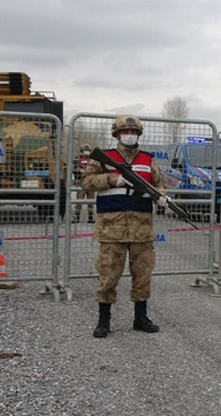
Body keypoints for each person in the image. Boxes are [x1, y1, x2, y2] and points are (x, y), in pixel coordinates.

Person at [80, 115, 170, 338]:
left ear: (138, 134)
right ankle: (104, 320)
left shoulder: (148, 159)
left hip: (142, 227)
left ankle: (140, 318)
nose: (129, 136)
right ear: (117, 135)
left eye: (133, 132)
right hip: (112, 227)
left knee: (143, 274)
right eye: (124, 132)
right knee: (109, 274)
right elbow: (86, 182)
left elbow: (158, 183)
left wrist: (162, 197)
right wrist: (113, 180)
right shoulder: (103, 158)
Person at [72, 143, 95, 223]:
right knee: (79, 199)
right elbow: (73, 168)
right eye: (85, 151)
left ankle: (91, 217)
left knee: (91, 200)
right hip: (80, 182)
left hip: (90, 181)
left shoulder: (93, 159)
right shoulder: (77, 159)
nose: (86, 152)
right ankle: (77, 217)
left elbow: (96, 168)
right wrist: (80, 170)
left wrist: (89, 171)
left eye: (88, 151)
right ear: (81, 151)